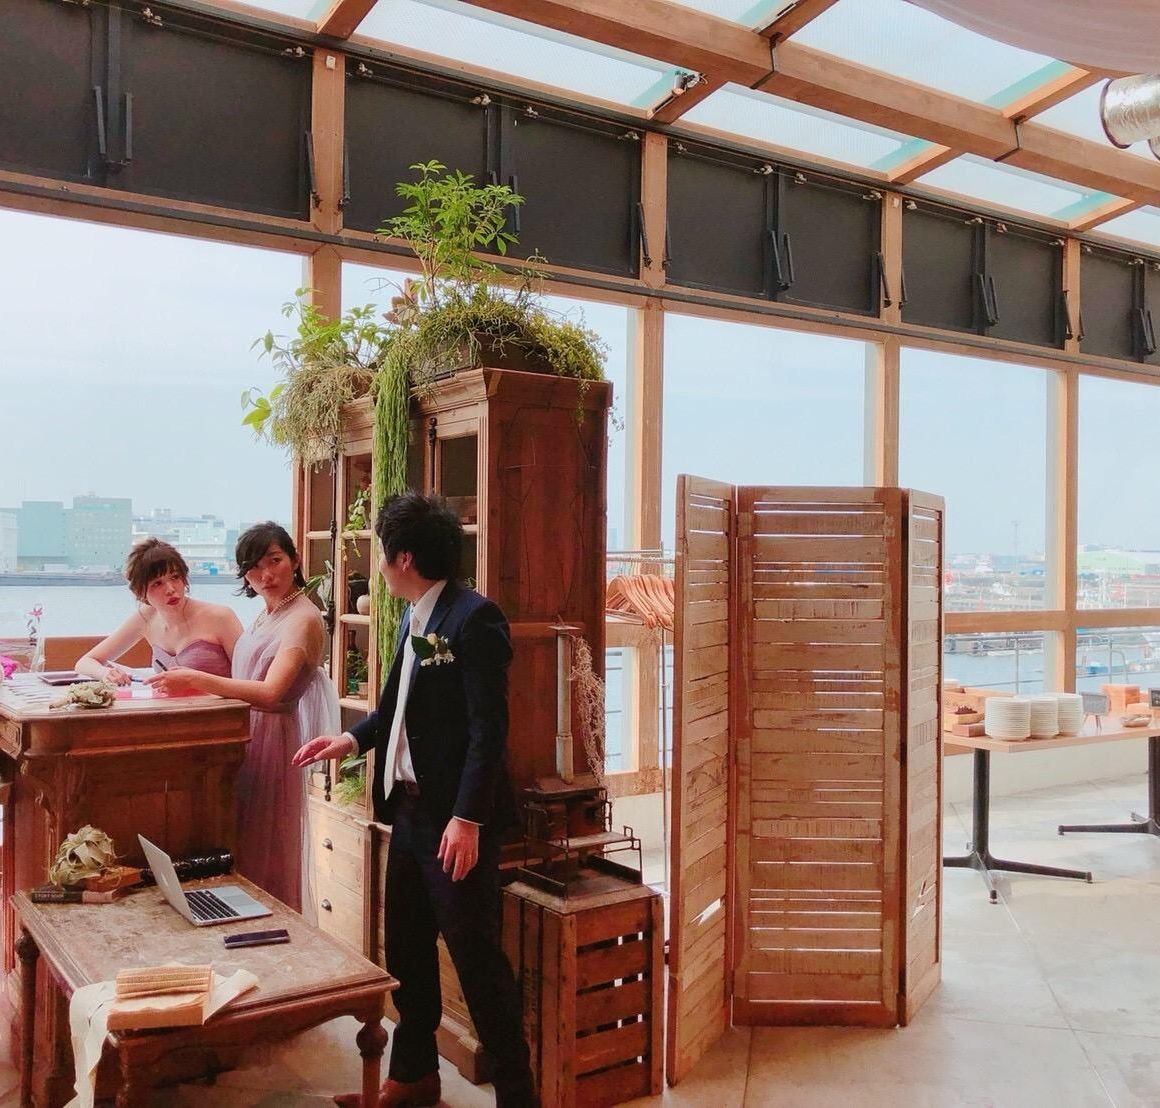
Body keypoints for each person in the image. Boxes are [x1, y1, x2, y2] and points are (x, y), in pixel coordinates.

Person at [294, 492, 534, 1108]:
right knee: (406, 952)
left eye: (380, 552)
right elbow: (397, 710)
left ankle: (519, 1098)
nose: (377, 565)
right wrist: (350, 739)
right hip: (406, 812)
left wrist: (467, 817)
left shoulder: (474, 619)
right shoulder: (413, 617)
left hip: (453, 823)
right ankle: (413, 1080)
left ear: (404, 558)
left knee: (477, 964)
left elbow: (489, 730)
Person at [148, 522, 339, 914]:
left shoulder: (303, 618)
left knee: (264, 850)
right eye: (254, 567)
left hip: (272, 736)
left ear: (295, 560)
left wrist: (195, 678)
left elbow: (271, 692)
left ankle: (271, 930)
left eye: (274, 561)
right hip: (245, 734)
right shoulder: (268, 613)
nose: (265, 575)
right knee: (239, 844)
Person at [77, 538, 242, 684]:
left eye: (175, 577)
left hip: (225, 708)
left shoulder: (220, 617)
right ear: (140, 592)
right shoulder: (147, 617)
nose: (170, 589)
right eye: (157, 583)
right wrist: (106, 673)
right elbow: (85, 662)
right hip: (169, 707)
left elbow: (249, 680)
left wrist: (199, 681)